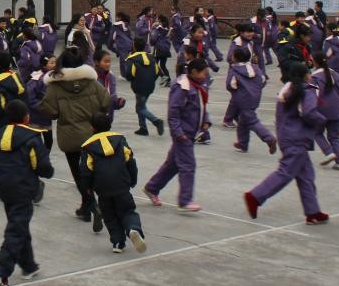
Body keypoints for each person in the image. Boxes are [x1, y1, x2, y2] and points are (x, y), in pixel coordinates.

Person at [243, 62, 329, 224]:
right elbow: (309, 112)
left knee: (306, 175)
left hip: (286, 136)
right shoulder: (307, 89)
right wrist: (323, 121)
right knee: (285, 173)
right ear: (306, 75)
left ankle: (313, 211)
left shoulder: (288, 88)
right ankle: (255, 195)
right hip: (297, 138)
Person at [37, 47, 112, 228]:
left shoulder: (55, 86)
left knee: (78, 174)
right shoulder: (92, 83)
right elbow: (106, 101)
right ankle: (88, 207)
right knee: (91, 170)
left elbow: (50, 111)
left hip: (69, 136)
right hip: (92, 134)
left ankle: (91, 206)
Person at [0, 100, 54, 286]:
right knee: (16, 228)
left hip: (4, 187)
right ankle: (1, 270)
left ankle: (29, 265)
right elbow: (42, 166)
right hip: (23, 187)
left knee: (18, 223)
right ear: (26, 117)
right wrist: (47, 172)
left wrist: (1, 174)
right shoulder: (32, 137)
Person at [143, 58, 210, 214]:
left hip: (191, 132)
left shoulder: (198, 85)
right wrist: (178, 133)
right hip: (183, 134)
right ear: (193, 72)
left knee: (172, 165)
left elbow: (202, 106)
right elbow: (173, 113)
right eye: (202, 72)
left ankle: (152, 188)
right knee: (188, 165)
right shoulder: (182, 87)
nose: (205, 75)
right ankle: (185, 200)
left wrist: (206, 120)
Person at [80, 112, 146, 254]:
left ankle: (117, 242)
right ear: (109, 125)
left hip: (103, 190)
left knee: (110, 216)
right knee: (127, 211)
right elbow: (130, 162)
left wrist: (88, 189)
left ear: (92, 128)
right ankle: (133, 228)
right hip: (122, 185)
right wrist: (132, 179)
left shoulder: (88, 147)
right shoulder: (120, 140)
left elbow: (86, 171)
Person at [225, 48, 276, 155]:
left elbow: (230, 85)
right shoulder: (255, 68)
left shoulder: (234, 70)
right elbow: (263, 81)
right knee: (243, 120)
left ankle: (269, 138)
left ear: (235, 58)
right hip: (255, 97)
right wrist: (255, 89)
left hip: (242, 99)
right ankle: (243, 143)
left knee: (252, 121)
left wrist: (236, 92)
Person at [310, 53, 339, 171]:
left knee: (316, 132)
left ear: (315, 62)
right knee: (334, 137)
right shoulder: (334, 73)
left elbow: (314, 94)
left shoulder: (315, 77)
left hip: (322, 109)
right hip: (336, 108)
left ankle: (328, 152)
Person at [122, 45, 165, 137]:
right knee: (141, 106)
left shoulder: (131, 59)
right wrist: (151, 79)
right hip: (150, 86)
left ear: (134, 46)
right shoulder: (151, 57)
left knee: (140, 108)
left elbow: (129, 74)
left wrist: (133, 80)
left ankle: (156, 121)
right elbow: (158, 71)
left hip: (139, 86)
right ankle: (143, 128)